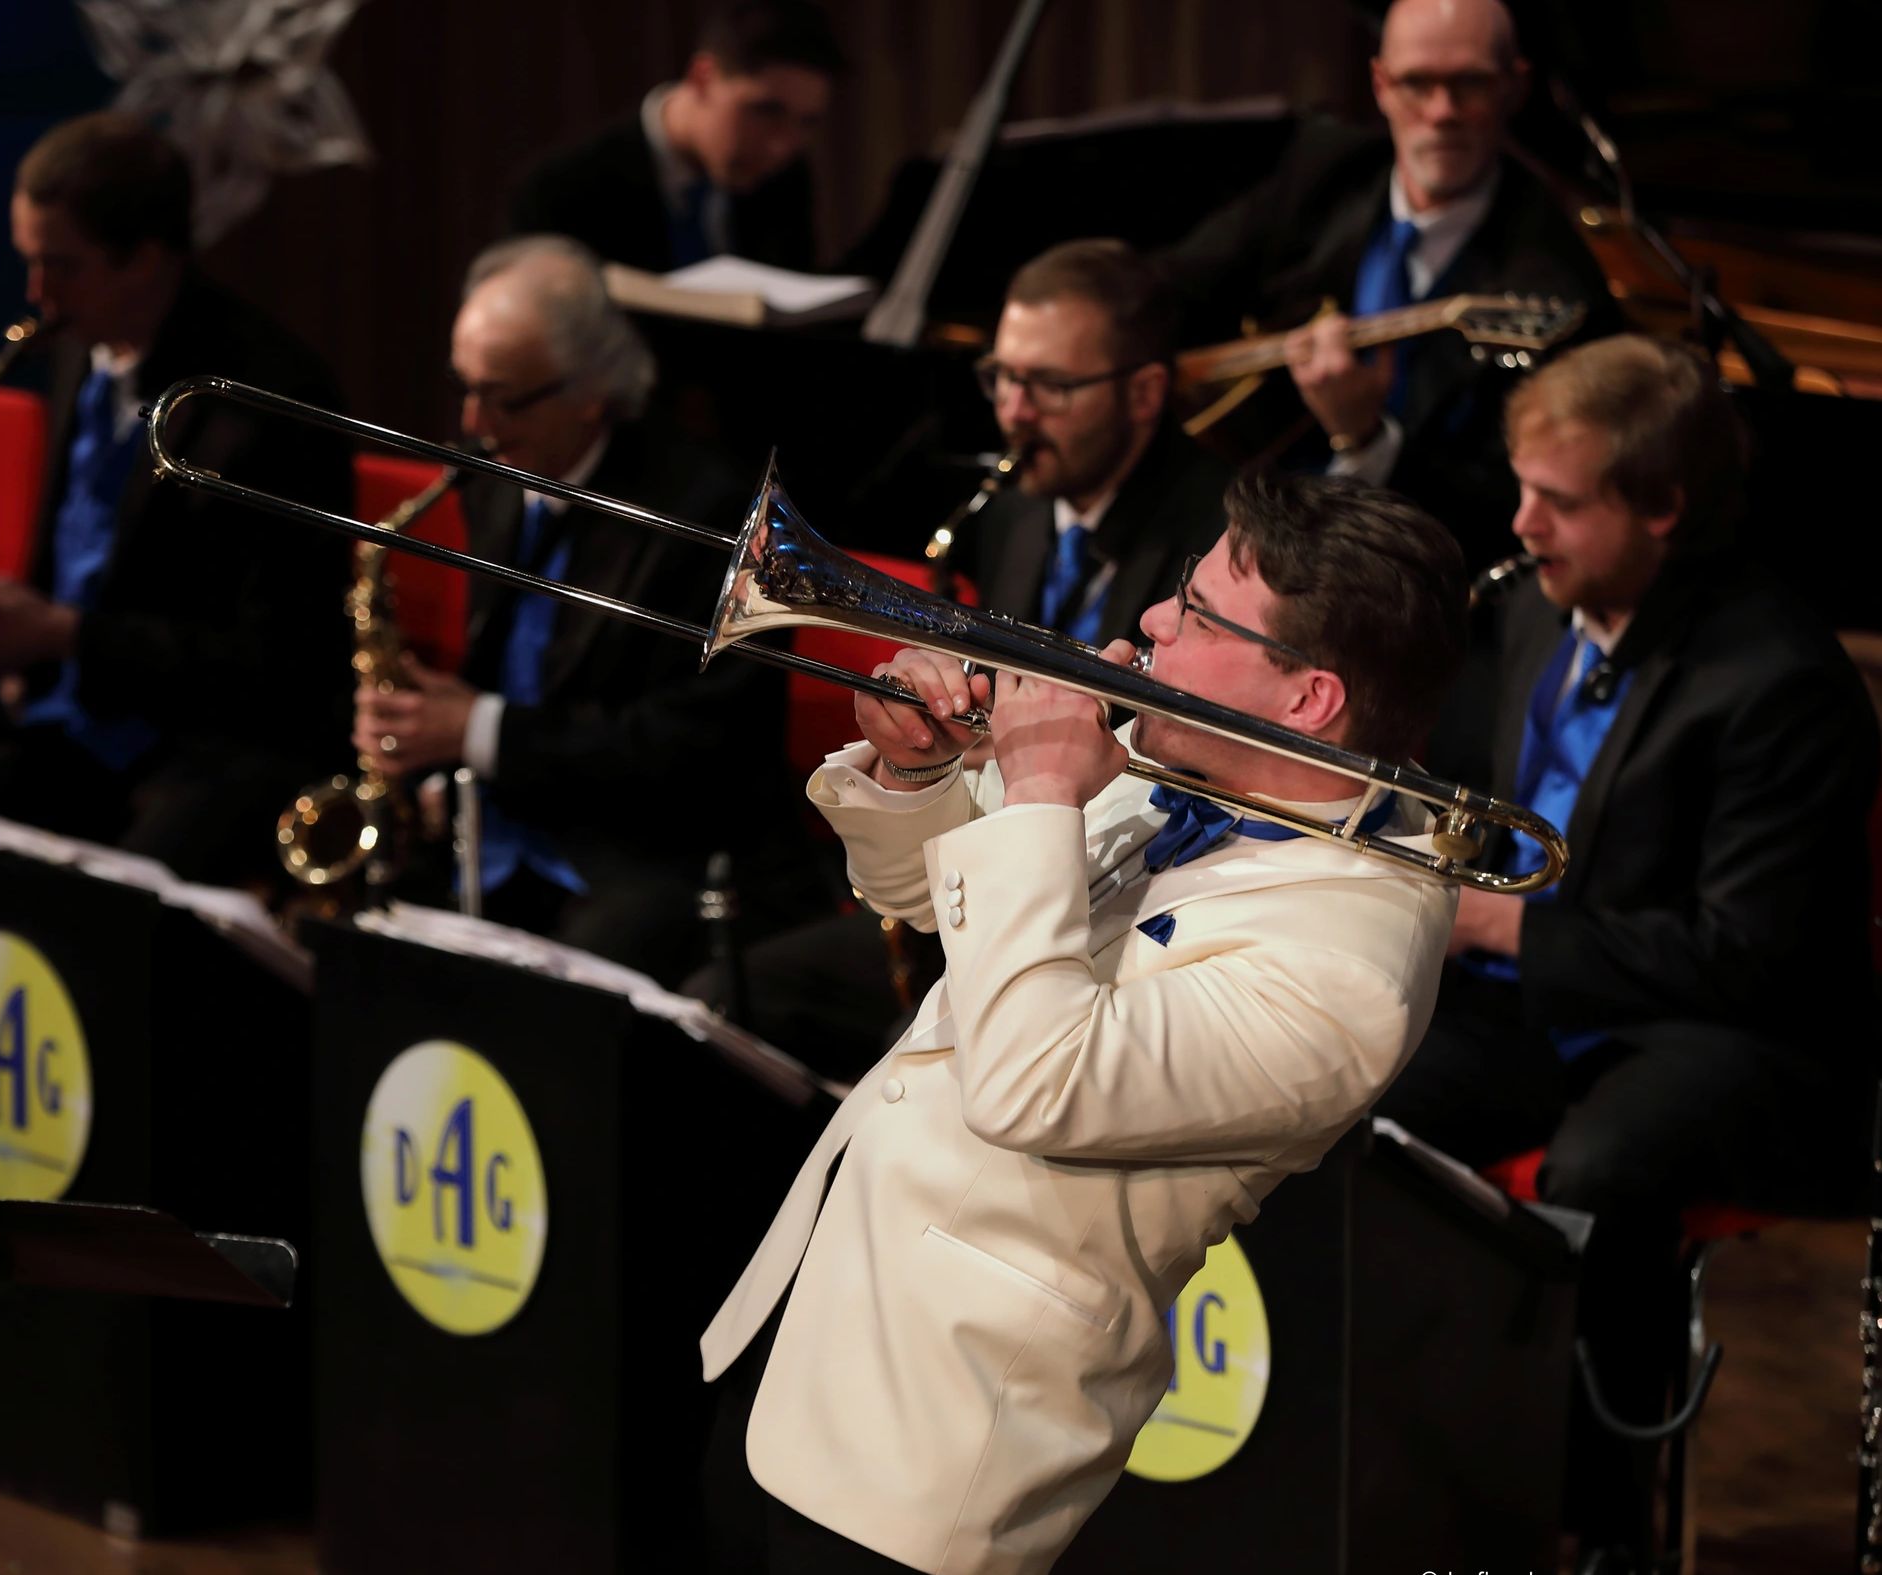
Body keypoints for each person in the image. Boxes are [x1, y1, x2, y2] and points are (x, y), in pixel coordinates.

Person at [700, 470, 1471, 1574]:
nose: (1154, 621)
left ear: (1309, 700)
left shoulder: (1349, 976)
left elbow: (1033, 1080)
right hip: (814, 1324)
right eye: (1178, 592)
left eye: (1200, 615)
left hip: (932, 1444)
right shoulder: (1183, 761)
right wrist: (921, 776)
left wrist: (1042, 794)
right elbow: (935, 903)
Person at [1371, 333, 1880, 1561]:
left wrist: (1502, 921)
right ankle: (1399, 1473)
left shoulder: (1778, 683)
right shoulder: (1542, 614)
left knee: (1604, 1167)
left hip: (1725, 1036)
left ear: (1662, 508)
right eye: (1521, 486)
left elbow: (1743, 957)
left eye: (1558, 498)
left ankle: (1590, 1524)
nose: (1521, 521)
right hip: (1547, 997)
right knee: (1351, 1079)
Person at [684, 238, 1232, 1082]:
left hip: (1118, 897)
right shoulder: (1012, 515)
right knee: (717, 998)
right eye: (1002, 378)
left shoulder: (1220, 539)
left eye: (1049, 386)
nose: (1014, 410)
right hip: (983, 860)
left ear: (1146, 391)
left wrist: (1022, 749)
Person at [353, 235, 807, 984]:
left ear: (591, 389)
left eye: (505, 396)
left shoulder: (708, 510)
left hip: (653, 846)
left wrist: (478, 729)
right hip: (519, 811)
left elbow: (696, 746)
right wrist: (423, 744)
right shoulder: (500, 472)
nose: (475, 421)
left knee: (569, 990)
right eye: (464, 386)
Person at [0, 111, 356, 884]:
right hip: (85, 712)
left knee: (118, 911)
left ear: (147, 260)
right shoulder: (83, 344)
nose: (36, 295)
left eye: (62, 266)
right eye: (29, 262)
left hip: (211, 742)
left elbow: (277, 666)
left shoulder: (268, 402)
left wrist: (66, 636)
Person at [1158, 0, 1620, 571]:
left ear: (1514, 88)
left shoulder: (1553, 283)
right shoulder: (1329, 171)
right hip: (1235, 519)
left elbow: (1503, 517)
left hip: (1397, 579)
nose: (1441, 111)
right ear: (1379, 84)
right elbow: (1172, 283)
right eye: (1417, 83)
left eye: (1470, 84)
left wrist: (1367, 439)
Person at [506, 0, 844, 273]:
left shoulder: (786, 178)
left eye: (807, 122)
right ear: (703, 78)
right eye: (765, 111)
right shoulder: (560, 191)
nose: (781, 145)